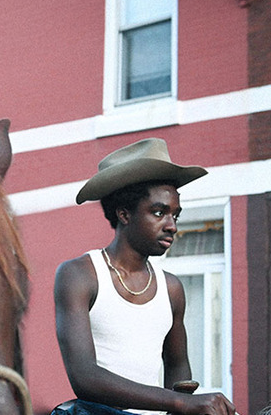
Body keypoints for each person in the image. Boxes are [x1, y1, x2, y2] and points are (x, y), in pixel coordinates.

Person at [53, 138, 237, 415]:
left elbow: (177, 367)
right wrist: (180, 402)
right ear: (124, 214)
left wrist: (185, 404)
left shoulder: (171, 287)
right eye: (159, 212)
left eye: (176, 215)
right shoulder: (79, 274)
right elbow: (84, 377)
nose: (172, 226)